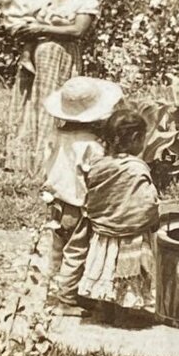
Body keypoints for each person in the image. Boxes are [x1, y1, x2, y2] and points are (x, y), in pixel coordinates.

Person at [5, 0, 101, 178]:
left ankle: (47, 163)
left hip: (61, 58)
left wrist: (42, 28)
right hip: (35, 55)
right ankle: (23, 160)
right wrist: (26, 31)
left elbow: (78, 30)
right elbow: (22, 18)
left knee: (52, 103)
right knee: (30, 102)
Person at [41, 76, 123, 312]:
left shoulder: (55, 135)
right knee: (76, 251)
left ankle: (52, 291)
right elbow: (95, 176)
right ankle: (66, 299)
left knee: (58, 248)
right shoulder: (91, 145)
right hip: (76, 205)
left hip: (55, 201)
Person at [78, 107, 160, 323]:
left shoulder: (100, 165)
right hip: (130, 234)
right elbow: (146, 202)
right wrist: (152, 216)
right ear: (135, 139)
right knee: (125, 273)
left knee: (106, 270)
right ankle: (122, 317)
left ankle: (104, 312)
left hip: (104, 232)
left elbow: (93, 195)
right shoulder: (135, 168)